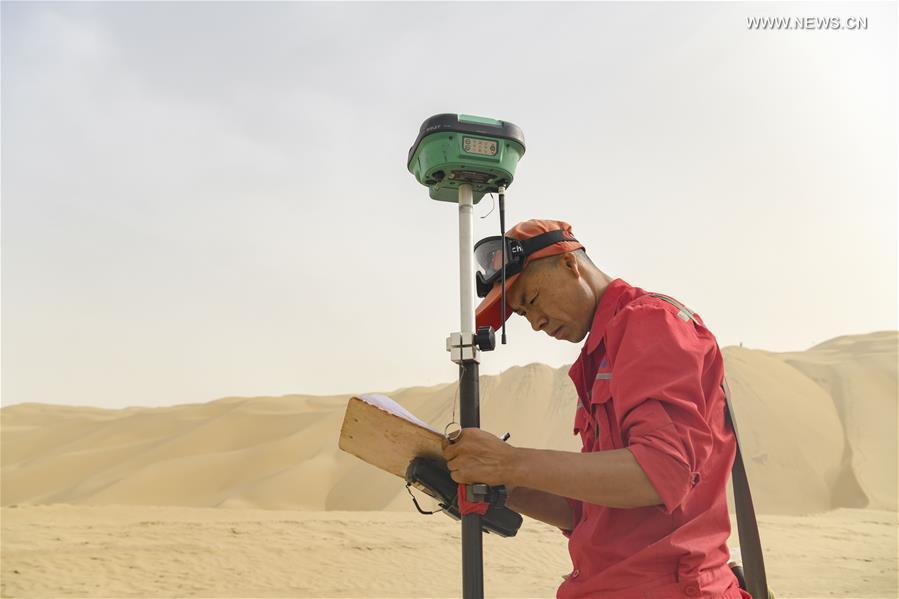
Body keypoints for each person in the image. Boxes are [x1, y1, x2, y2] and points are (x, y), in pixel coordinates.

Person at [441, 219, 751, 599]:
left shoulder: (649, 322)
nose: (535, 323)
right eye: (522, 316)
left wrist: (511, 462)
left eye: (532, 300)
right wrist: (506, 486)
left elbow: (661, 473)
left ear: (569, 264)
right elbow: (592, 512)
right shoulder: (600, 351)